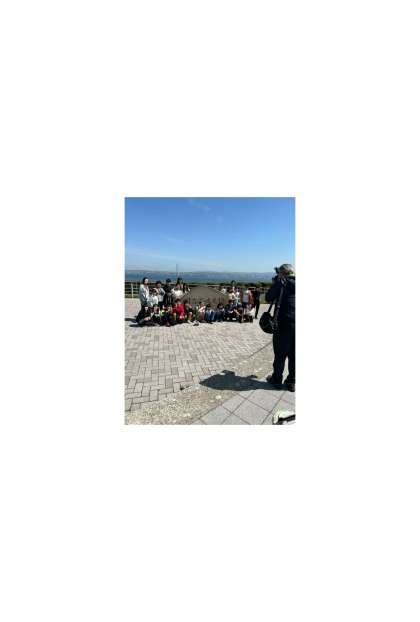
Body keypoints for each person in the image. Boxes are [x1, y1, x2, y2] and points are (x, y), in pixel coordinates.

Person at [265, 264, 295, 392]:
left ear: (282, 273)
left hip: (283, 323)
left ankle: (277, 380)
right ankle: (291, 382)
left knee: (280, 354)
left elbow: (268, 297)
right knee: (295, 355)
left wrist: (276, 283)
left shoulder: (282, 282)